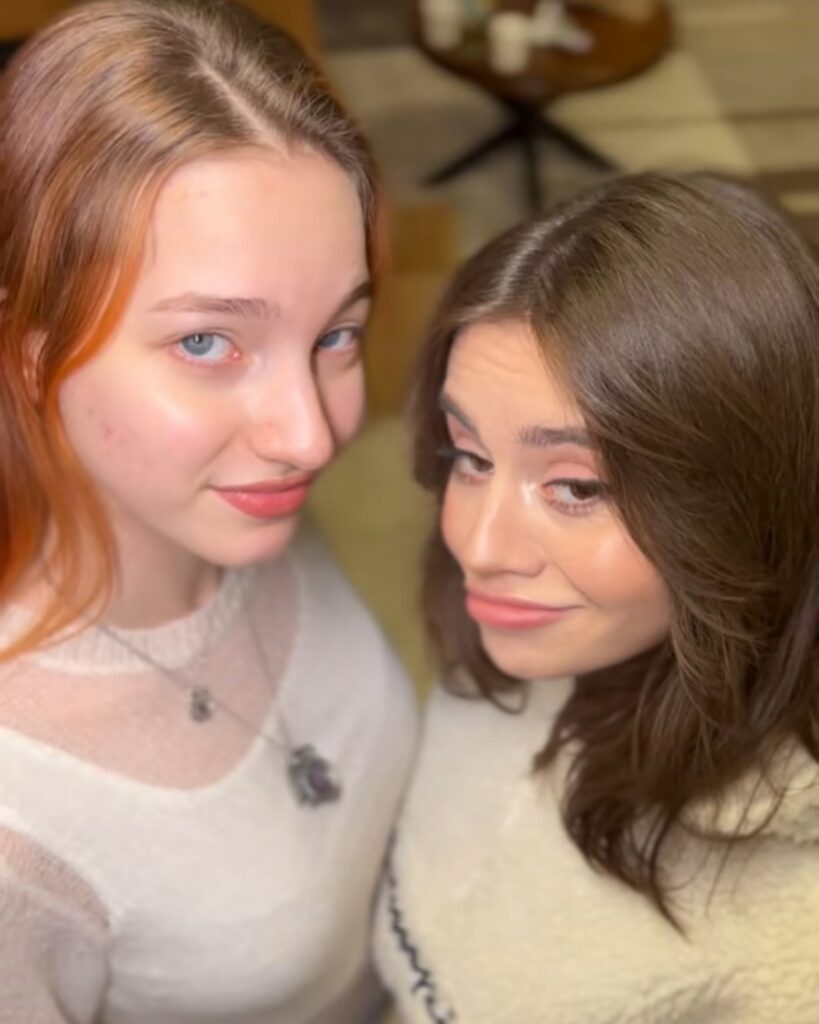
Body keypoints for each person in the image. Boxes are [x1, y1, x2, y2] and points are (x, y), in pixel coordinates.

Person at [0, 1, 417, 1021]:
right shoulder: (17, 830)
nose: (311, 436)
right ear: (31, 356)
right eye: (207, 343)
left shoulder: (224, 501)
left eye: (337, 333)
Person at [375, 172, 819, 1023]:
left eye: (575, 487)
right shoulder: (526, 632)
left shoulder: (792, 954)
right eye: (469, 457)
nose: (476, 545)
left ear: (746, 507)